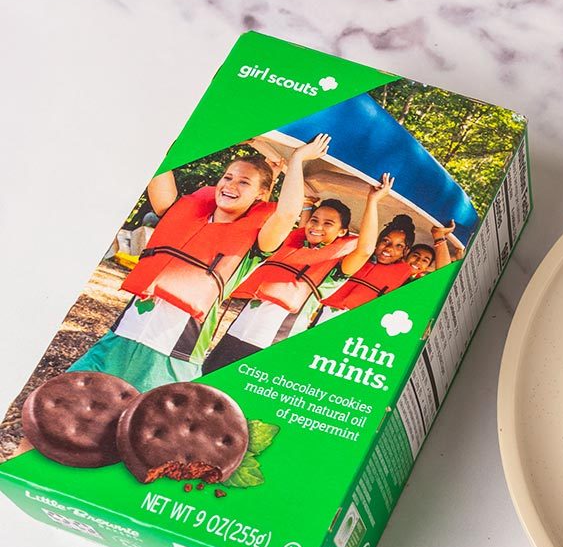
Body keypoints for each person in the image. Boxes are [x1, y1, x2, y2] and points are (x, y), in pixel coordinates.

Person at [68, 135, 331, 391]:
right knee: (58, 408)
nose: (231, 185)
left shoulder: (256, 245)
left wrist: (297, 159)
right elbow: (161, 161)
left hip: (172, 359)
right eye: (227, 177)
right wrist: (218, 137)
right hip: (119, 339)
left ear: (261, 194)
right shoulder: (181, 214)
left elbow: (286, 214)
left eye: (244, 182)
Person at [201, 174, 395, 374]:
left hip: (271, 347)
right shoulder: (289, 248)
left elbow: (364, 250)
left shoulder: (335, 271)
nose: (317, 226)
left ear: (342, 232)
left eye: (328, 224)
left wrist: (373, 201)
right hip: (234, 334)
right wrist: (273, 175)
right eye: (314, 220)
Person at [312, 217, 461, 324]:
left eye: (399, 246)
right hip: (325, 316)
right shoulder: (356, 256)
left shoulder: (406, 279)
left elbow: (444, 278)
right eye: (385, 241)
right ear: (377, 242)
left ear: (405, 251)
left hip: (361, 330)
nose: (389, 249)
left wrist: (439, 236)